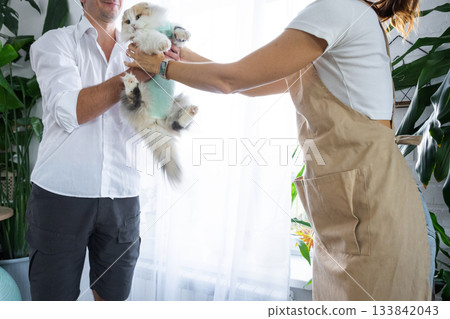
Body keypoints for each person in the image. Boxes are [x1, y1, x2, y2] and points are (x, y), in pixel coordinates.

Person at [126, 0, 434, 300]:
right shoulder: (350, 13)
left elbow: (230, 80)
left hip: (372, 215)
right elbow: (251, 84)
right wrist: (182, 57)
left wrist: (163, 67)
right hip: (361, 213)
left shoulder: (337, 9)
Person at [26, 0, 150, 301]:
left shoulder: (141, 51)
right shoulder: (54, 43)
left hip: (122, 194)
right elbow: (70, 112)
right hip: (60, 197)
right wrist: (133, 78)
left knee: (113, 301)